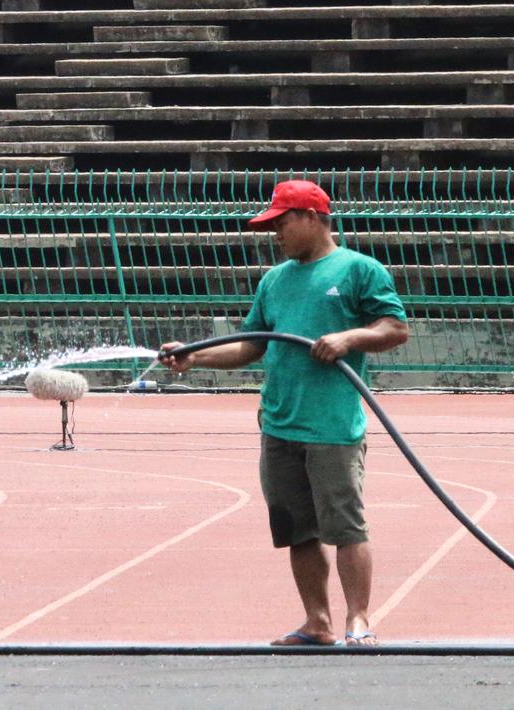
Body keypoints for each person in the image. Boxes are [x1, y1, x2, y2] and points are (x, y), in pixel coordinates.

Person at [159, 179, 409, 647]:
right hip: (279, 423)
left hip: (331, 424)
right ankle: (317, 621)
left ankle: (359, 620)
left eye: (281, 222)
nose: (274, 233)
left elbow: (395, 327)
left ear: (312, 218)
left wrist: (349, 338)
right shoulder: (275, 280)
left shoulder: (359, 270)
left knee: (346, 526)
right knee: (297, 530)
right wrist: (195, 357)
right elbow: (254, 343)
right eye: (271, 225)